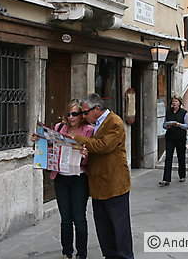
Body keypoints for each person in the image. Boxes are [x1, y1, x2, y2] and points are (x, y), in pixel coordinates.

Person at [71, 93, 134, 259]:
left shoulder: (115, 122)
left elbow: (103, 146)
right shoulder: (95, 125)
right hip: (98, 184)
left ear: (97, 108)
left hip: (114, 184)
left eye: (85, 112)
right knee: (103, 227)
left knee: (119, 227)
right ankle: (110, 255)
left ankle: (125, 256)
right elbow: (95, 148)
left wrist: (78, 139)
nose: (84, 116)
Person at [32, 100, 93, 259]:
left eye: (75, 114)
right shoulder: (59, 128)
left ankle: (81, 253)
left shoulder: (89, 130)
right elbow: (49, 147)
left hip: (79, 178)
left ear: (81, 115)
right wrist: (38, 141)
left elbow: (93, 157)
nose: (71, 117)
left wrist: (86, 155)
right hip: (61, 178)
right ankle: (67, 252)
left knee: (79, 218)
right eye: (69, 114)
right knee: (65, 218)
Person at [159, 95, 188, 187]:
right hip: (170, 137)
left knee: (181, 156)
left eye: (176, 101)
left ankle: (182, 175)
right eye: (173, 101)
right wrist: (168, 125)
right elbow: (164, 125)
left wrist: (179, 124)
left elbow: (187, 125)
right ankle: (166, 179)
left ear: (179, 103)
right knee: (168, 157)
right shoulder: (168, 112)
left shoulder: (184, 113)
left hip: (180, 137)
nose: (174, 103)